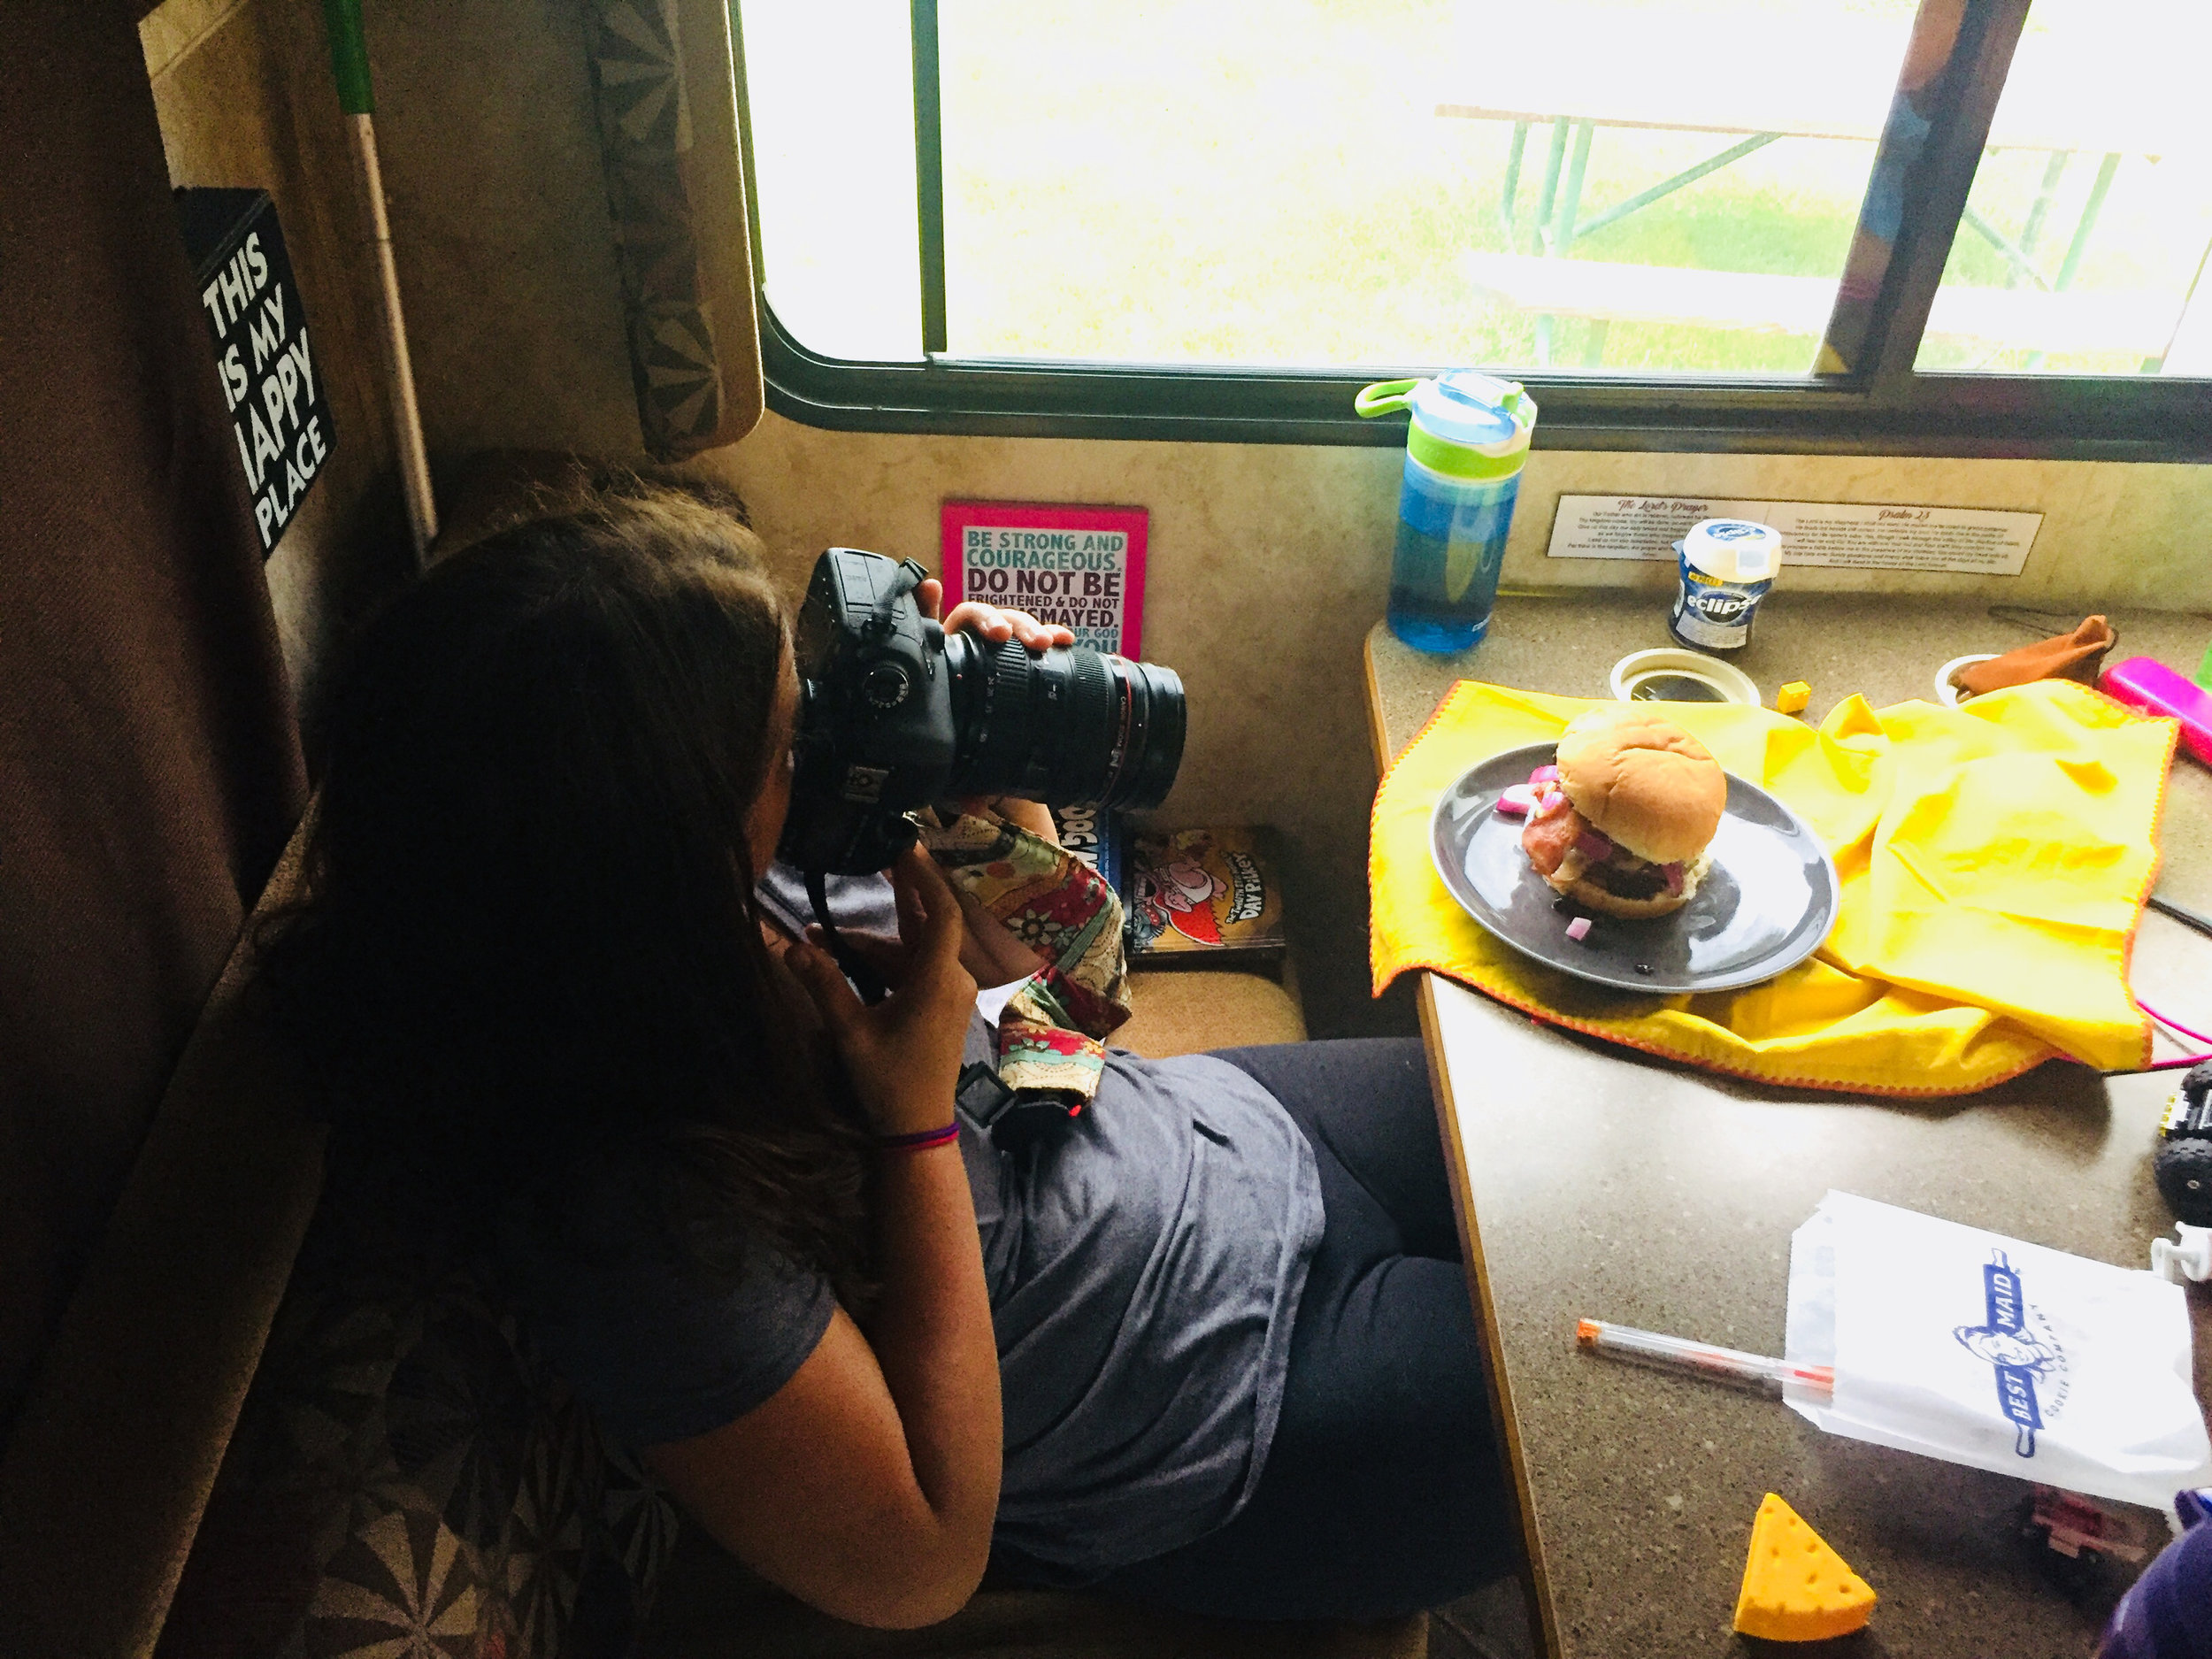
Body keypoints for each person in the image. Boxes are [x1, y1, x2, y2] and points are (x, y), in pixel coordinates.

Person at [259, 472, 1515, 1629]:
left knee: (1576, 1144)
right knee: (1616, 1356)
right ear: (651, 853)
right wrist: (915, 1124)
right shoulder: (634, 1222)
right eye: (782, 742)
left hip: (1219, 1138)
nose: (813, 759)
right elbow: (920, 1563)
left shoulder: (762, 874)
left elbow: (1080, 1007)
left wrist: (995, 798)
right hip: (1221, 1405)